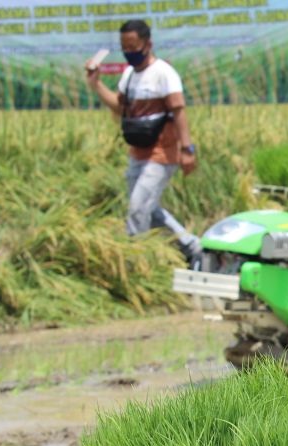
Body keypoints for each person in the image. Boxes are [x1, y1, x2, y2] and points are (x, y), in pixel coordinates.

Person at [85, 20, 200, 265]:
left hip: (162, 153)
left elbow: (179, 111)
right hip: (137, 153)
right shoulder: (128, 75)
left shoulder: (163, 73)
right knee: (148, 208)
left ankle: (134, 262)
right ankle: (190, 246)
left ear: (148, 44)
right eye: (124, 47)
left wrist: (187, 149)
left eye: (133, 46)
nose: (129, 52)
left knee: (138, 209)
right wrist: (96, 84)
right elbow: (118, 106)